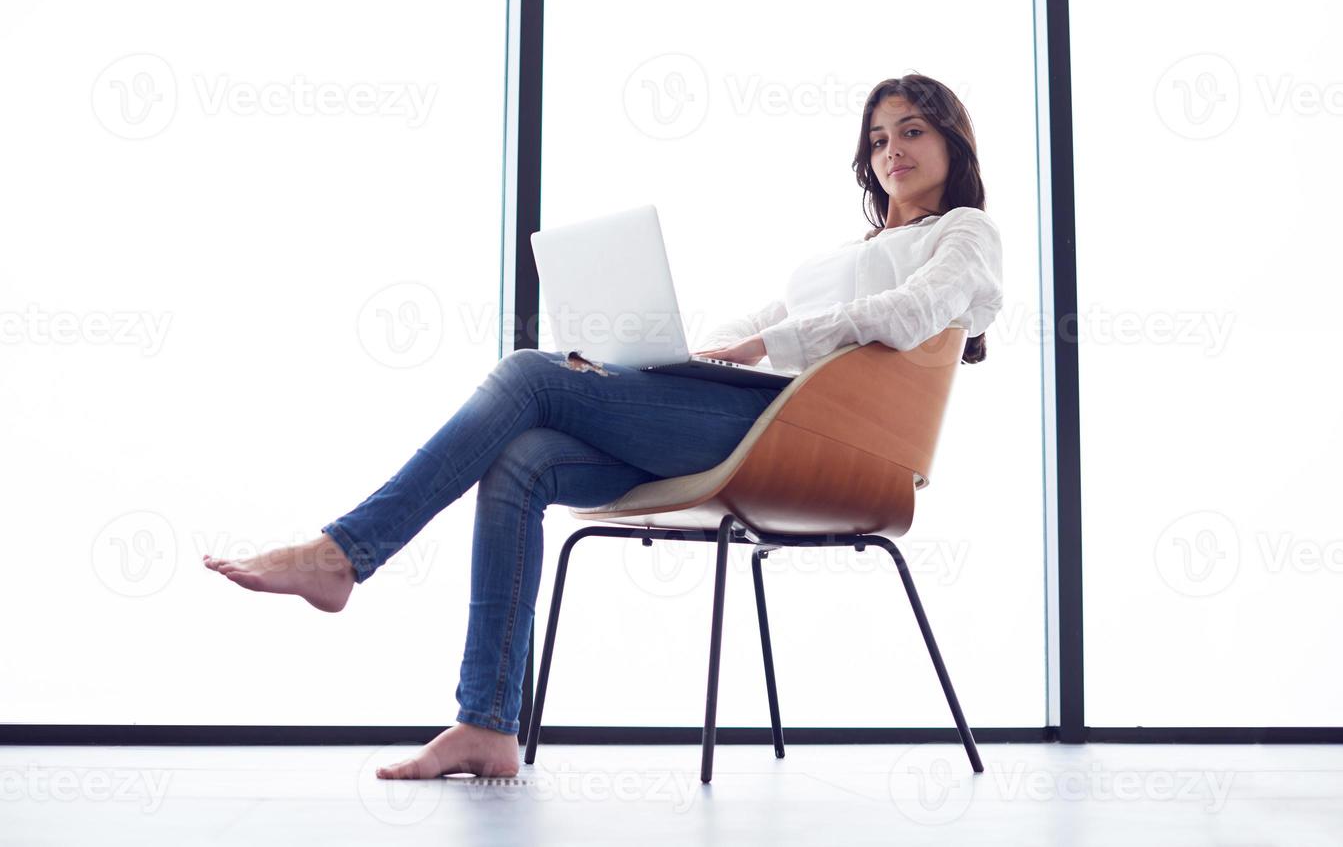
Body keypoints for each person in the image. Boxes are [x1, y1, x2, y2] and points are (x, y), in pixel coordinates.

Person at [201, 72, 1004, 781]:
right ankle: (486, 724)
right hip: (748, 419)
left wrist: (767, 344)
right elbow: (751, 328)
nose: (890, 149)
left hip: (810, 441)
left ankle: (344, 553)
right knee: (522, 458)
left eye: (910, 131)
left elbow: (909, 315)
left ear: (949, 142)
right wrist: (660, 364)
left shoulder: (963, 233)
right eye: (877, 138)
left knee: (526, 372)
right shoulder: (846, 252)